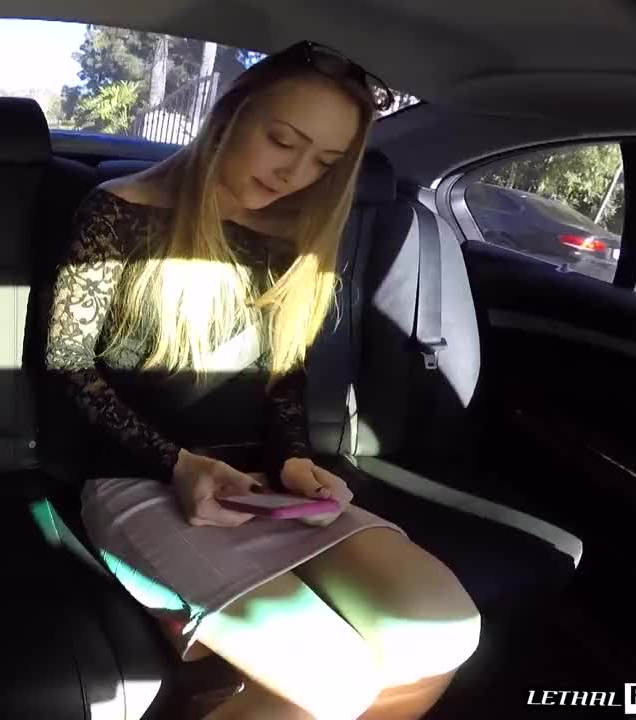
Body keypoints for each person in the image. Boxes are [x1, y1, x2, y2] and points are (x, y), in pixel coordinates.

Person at [43, 41, 482, 720]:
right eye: (282, 140)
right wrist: (176, 463)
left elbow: (282, 377)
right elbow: (69, 366)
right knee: (336, 683)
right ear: (230, 115)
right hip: (137, 479)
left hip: (264, 488)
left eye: (325, 162)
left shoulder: (290, 235)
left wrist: (295, 461)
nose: (295, 174)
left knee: (442, 631)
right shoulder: (116, 212)